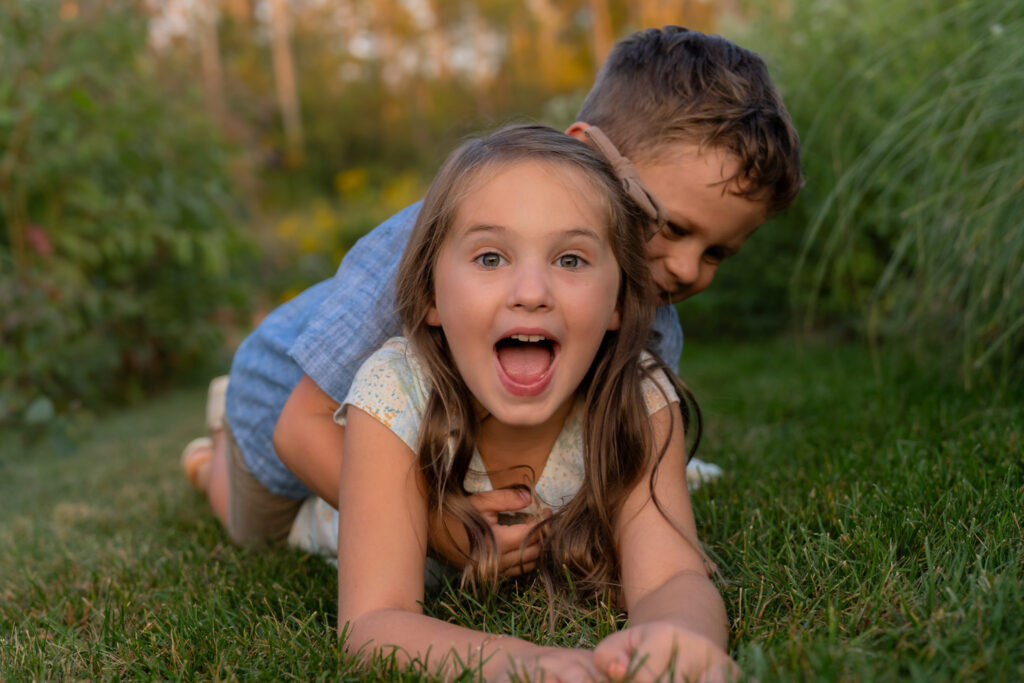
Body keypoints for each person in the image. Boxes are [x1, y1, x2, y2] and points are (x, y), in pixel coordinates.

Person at [181, 26, 802, 574]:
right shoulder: (438, 238)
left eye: (719, 253)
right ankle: (213, 452)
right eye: (670, 226)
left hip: (410, 427)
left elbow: (618, 435)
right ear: (589, 153)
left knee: (409, 479)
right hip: (285, 403)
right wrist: (439, 526)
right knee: (257, 525)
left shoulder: (648, 305)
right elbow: (301, 428)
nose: (689, 269)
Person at [305, 123, 733, 680]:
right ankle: (208, 462)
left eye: (571, 260)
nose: (531, 292)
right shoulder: (393, 393)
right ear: (432, 294)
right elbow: (372, 620)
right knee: (267, 515)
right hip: (339, 514)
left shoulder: (639, 395)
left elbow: (673, 578)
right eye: (489, 258)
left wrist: (680, 638)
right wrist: (526, 662)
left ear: (618, 305)